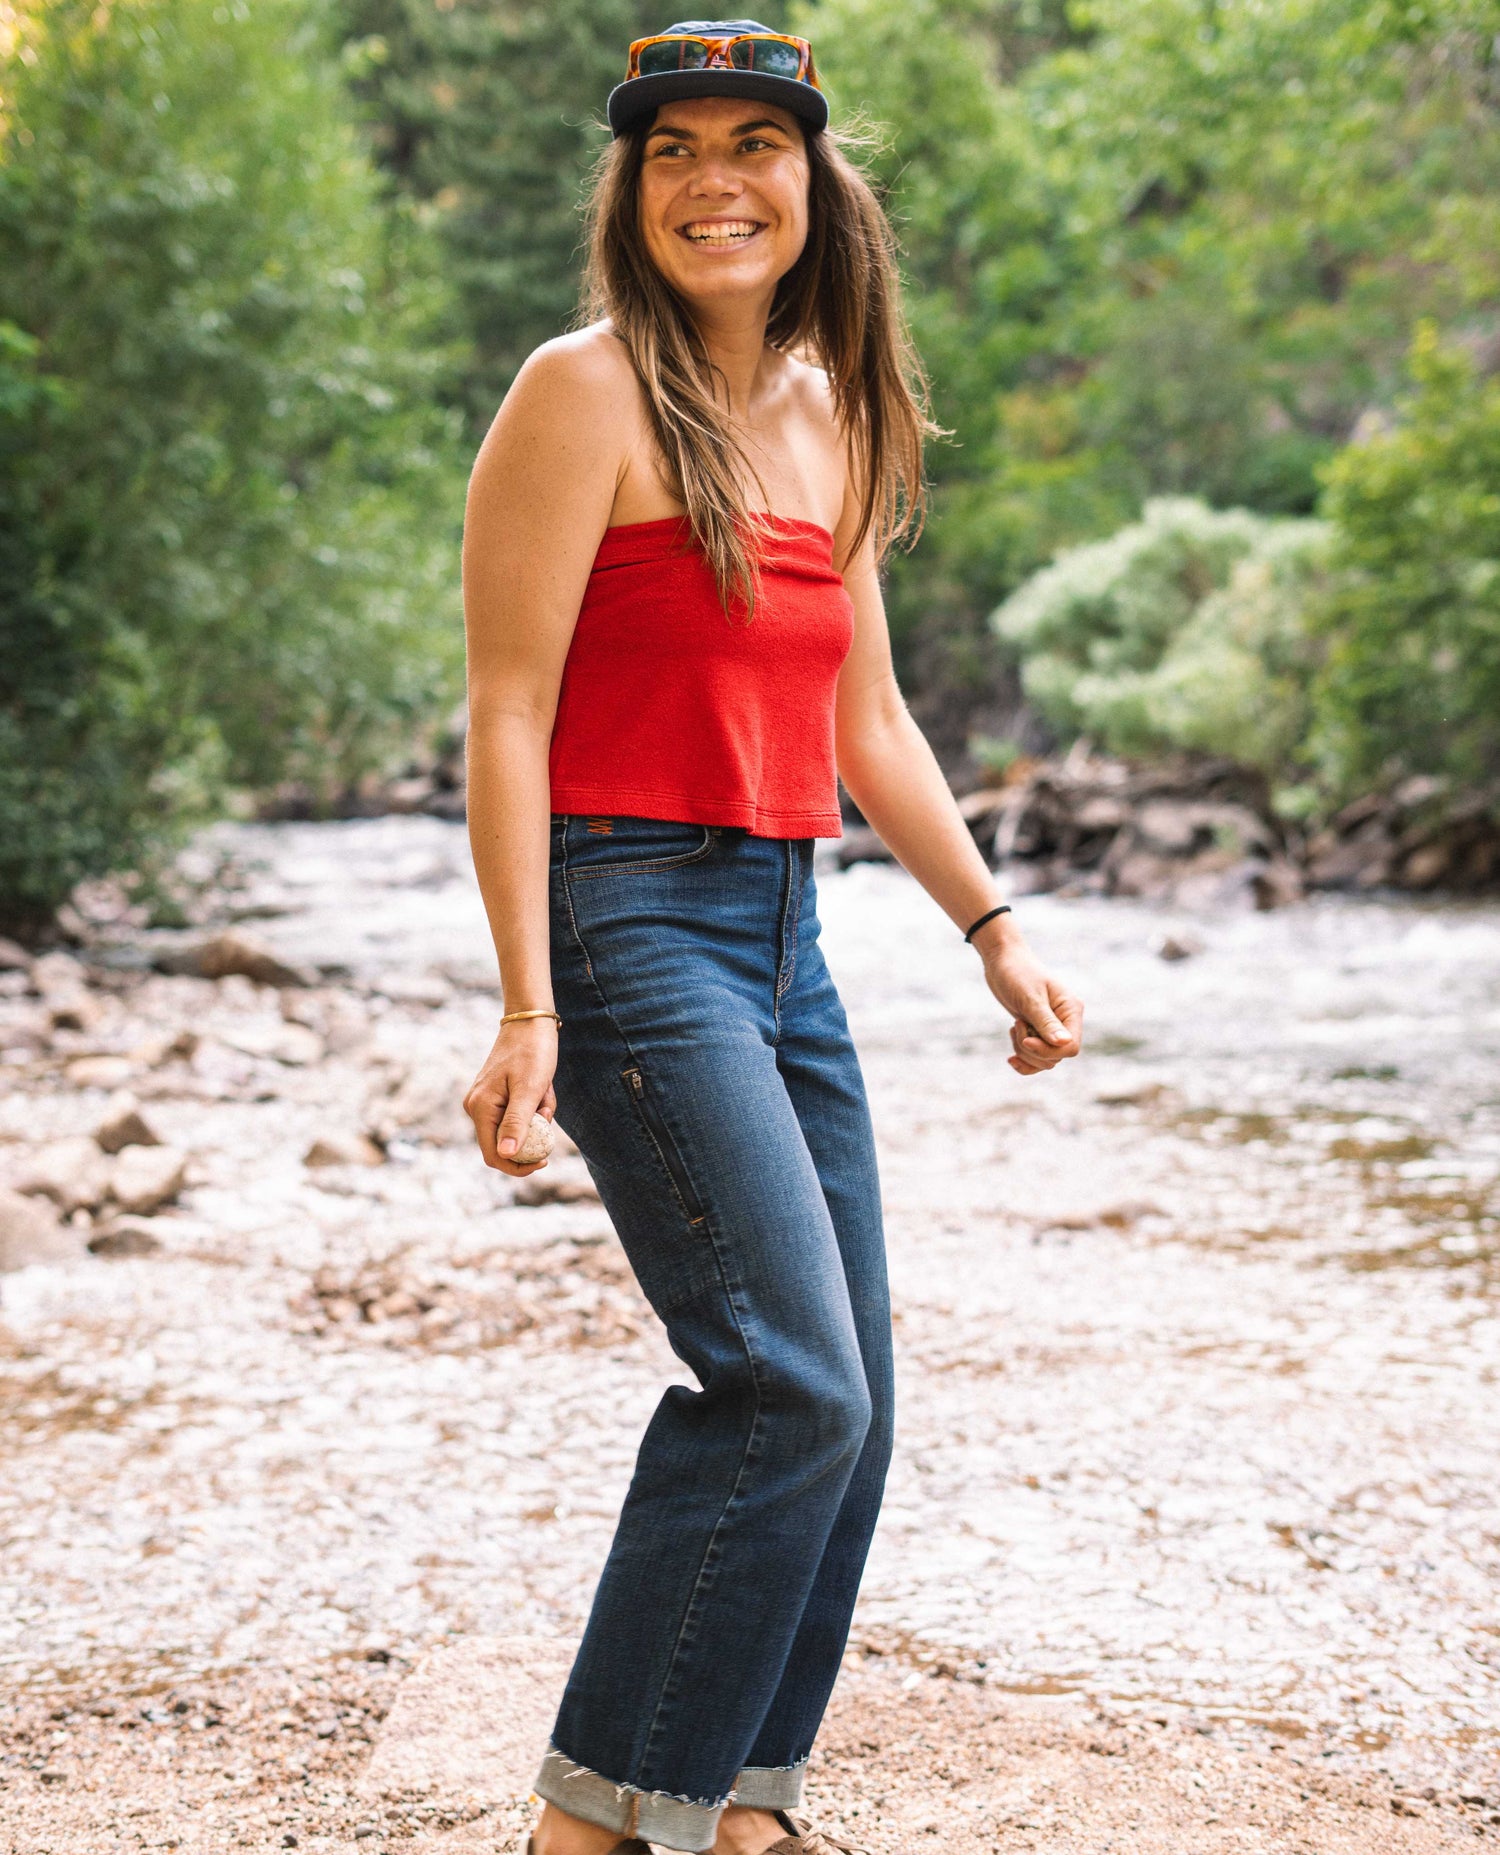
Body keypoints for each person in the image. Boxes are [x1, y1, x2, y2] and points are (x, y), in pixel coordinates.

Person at [461, 19, 1084, 1855]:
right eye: (673, 151)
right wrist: (522, 1002)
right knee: (785, 1380)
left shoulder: (829, 409)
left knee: (857, 1400)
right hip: (629, 915)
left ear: (813, 185)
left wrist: (990, 922)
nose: (714, 181)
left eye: (753, 146)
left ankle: (745, 1809)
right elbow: (505, 708)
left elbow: (867, 720)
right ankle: (590, 1825)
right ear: (631, 190)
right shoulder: (578, 394)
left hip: (782, 930)